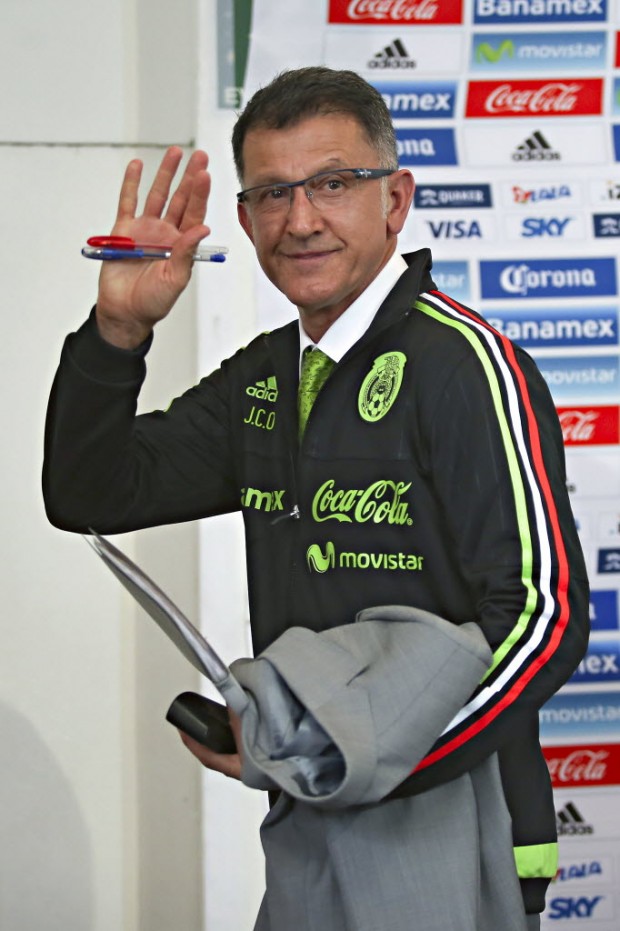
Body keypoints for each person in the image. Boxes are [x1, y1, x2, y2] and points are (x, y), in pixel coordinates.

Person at [43, 67, 589, 930]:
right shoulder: (262, 375)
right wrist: (120, 331)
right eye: (272, 192)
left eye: (333, 184)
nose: (301, 219)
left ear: (395, 199)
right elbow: (89, 492)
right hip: (309, 820)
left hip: (455, 818)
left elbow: (543, 619)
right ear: (247, 217)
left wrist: (356, 754)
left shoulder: (466, 365)